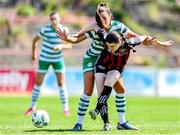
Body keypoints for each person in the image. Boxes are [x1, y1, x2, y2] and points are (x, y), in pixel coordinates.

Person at [56, 3, 157, 131]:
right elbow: (77, 38)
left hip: (109, 60)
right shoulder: (95, 28)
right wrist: (67, 38)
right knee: (88, 91)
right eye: (99, 18)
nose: (101, 20)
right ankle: (79, 123)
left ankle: (122, 122)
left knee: (120, 90)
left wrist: (155, 42)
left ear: (110, 15)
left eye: (104, 17)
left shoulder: (119, 26)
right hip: (92, 59)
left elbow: (137, 37)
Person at [89, 31, 174, 131]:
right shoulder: (107, 38)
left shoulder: (131, 42)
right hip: (101, 65)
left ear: (119, 42)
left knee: (109, 82)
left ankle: (96, 110)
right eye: (108, 46)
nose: (110, 49)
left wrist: (161, 43)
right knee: (101, 93)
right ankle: (106, 124)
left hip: (116, 68)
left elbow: (145, 36)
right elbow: (99, 30)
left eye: (112, 46)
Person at [24, 11, 71, 116]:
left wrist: (61, 46)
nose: (54, 21)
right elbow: (34, 40)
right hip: (44, 59)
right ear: (50, 20)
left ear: (60, 19)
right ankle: (32, 107)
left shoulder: (64, 30)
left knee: (61, 83)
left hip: (58, 60)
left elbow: (69, 45)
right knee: (38, 83)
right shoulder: (45, 29)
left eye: (56, 18)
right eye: (52, 19)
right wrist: (33, 54)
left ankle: (66, 109)